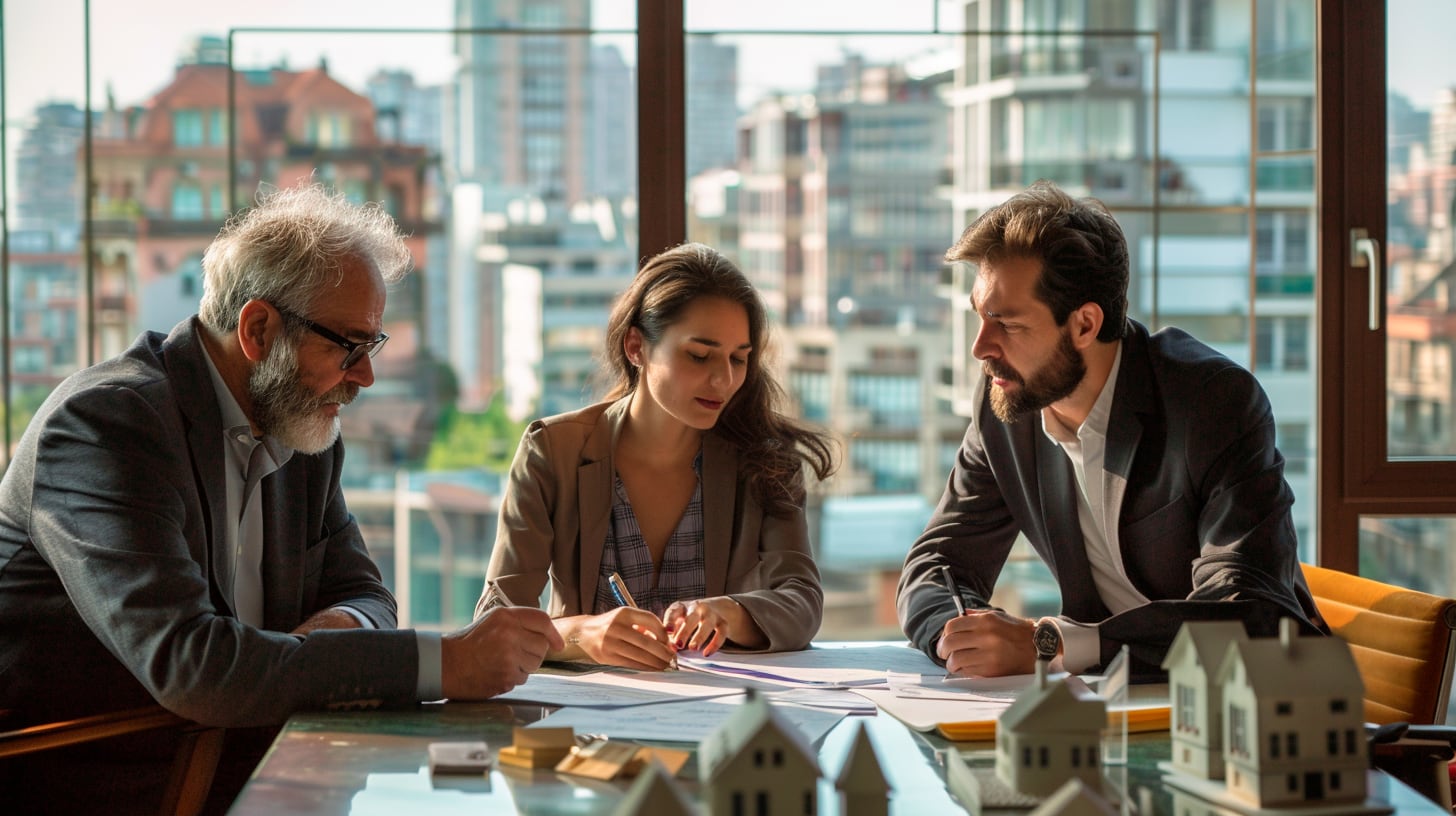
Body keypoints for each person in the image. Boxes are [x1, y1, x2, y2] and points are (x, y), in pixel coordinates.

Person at [0, 184, 562, 811]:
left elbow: (368, 595)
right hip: (112, 782)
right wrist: (444, 664)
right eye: (348, 346)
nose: (365, 376)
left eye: (370, 347)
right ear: (258, 328)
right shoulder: (107, 426)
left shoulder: (298, 422)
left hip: (260, 763)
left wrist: (315, 645)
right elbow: (195, 669)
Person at [897, 181, 1325, 680]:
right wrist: (963, 636)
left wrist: (1049, 644)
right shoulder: (1007, 403)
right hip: (1114, 704)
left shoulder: (1212, 402)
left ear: (1084, 325)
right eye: (979, 317)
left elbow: (1249, 614)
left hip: (1254, 702)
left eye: (1006, 323)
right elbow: (934, 567)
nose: (981, 348)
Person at [478, 242, 835, 670]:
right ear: (636, 347)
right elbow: (496, 621)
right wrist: (583, 633)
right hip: (590, 716)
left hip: (718, 716)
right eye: (699, 355)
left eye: (739, 359)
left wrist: (731, 613)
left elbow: (801, 601)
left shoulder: (764, 461)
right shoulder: (552, 451)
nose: (723, 379)